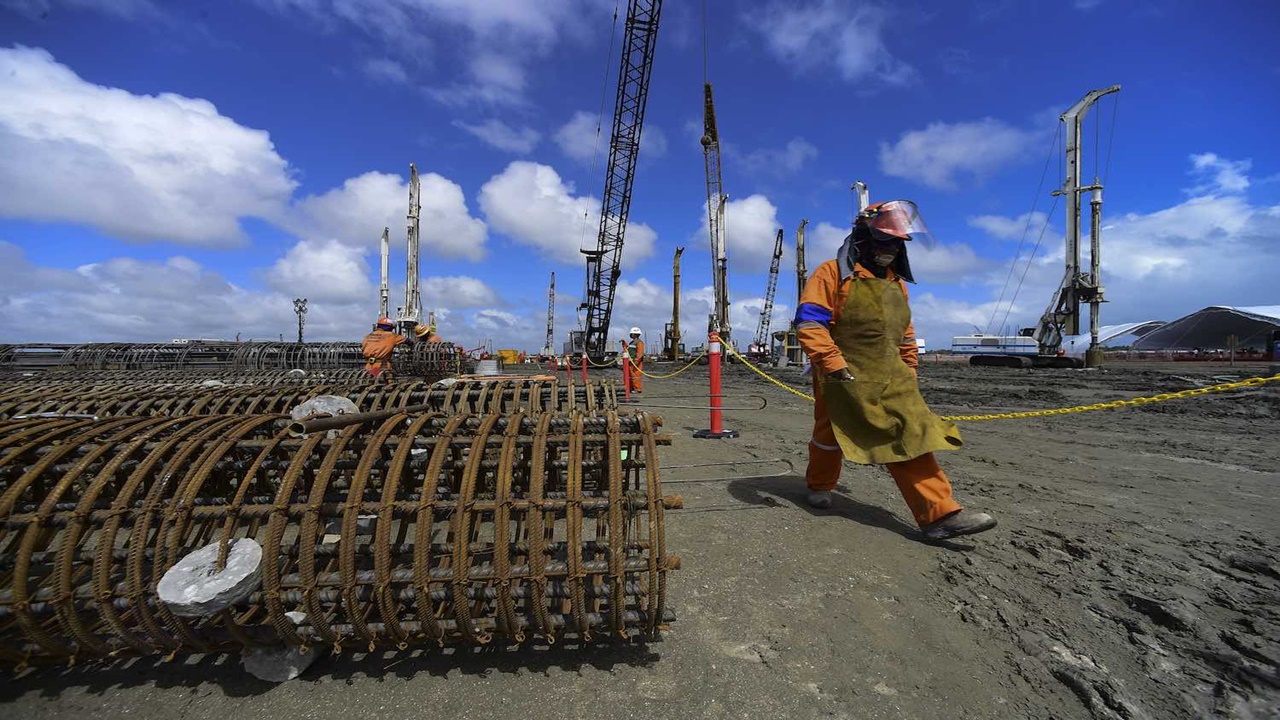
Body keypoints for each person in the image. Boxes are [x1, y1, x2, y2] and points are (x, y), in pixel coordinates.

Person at [794, 200, 996, 541]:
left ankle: (940, 515)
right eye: (884, 242)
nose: (890, 249)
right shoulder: (832, 273)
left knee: (909, 432)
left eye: (896, 243)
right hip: (842, 373)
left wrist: (911, 368)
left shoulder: (896, 283)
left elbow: (904, 331)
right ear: (863, 238)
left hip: (892, 374)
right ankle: (820, 483)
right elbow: (810, 322)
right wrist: (832, 363)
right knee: (829, 433)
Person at [361, 317, 405, 383]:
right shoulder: (391, 335)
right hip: (382, 365)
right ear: (390, 327)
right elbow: (406, 340)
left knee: (369, 383)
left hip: (369, 365)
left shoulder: (367, 336)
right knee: (386, 386)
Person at [622, 327, 645, 393]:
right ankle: (631, 388)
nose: (631, 335)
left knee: (636, 376)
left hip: (635, 363)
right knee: (629, 376)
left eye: (632, 334)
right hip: (630, 362)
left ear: (635, 334)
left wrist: (636, 362)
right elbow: (628, 349)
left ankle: (638, 389)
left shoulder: (639, 343)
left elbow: (639, 353)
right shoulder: (632, 343)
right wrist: (624, 344)